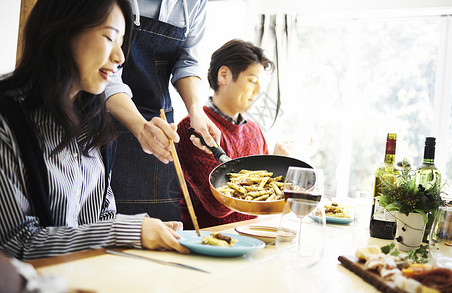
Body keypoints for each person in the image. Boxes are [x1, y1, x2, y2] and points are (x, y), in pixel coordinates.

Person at [0, 0, 188, 261]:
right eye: (110, 38)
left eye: (122, 43)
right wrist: (125, 231)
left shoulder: (96, 126)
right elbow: (14, 245)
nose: (121, 57)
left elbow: (103, 219)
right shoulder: (7, 119)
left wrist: (141, 235)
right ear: (63, 32)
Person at [104, 0, 220, 221]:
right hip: (105, 120)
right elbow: (109, 72)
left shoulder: (195, 3)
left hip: (160, 125)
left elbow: (187, 62)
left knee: (163, 230)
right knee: (108, 227)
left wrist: (196, 111)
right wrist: (140, 126)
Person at [177, 39, 292, 229]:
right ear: (223, 75)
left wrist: (280, 170)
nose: (258, 90)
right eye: (252, 80)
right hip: (207, 241)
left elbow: (268, 202)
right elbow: (219, 204)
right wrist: (268, 181)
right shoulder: (194, 128)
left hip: (252, 236)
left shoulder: (254, 131)